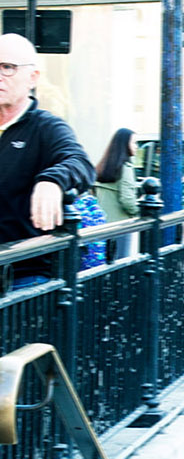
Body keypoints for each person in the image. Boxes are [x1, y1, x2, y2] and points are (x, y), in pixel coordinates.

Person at [0, 33, 95, 285]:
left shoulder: (47, 127)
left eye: (7, 67)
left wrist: (52, 181)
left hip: (24, 275)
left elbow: (80, 162)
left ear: (33, 78)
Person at [94, 127, 139, 258]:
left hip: (101, 224)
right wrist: (139, 211)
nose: (136, 147)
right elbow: (127, 200)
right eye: (133, 143)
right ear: (124, 145)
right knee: (120, 261)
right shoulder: (126, 168)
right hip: (120, 226)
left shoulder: (103, 166)